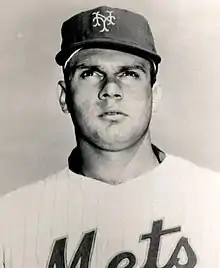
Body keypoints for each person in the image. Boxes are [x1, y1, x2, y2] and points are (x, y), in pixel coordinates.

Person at [0, 5, 219, 268]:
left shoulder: (210, 201)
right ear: (64, 97)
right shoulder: (12, 222)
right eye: (90, 73)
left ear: (155, 95)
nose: (111, 89)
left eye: (129, 74)